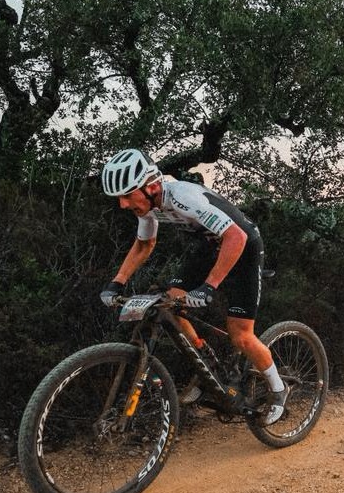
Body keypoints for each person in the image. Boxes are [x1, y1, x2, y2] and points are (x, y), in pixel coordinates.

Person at [99, 148, 289, 424]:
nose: (123, 204)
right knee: (171, 303)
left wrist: (209, 286)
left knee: (241, 335)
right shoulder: (149, 205)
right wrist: (117, 283)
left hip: (242, 245)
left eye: (127, 195)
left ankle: (278, 390)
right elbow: (144, 244)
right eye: (119, 197)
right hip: (208, 246)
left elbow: (235, 237)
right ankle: (205, 363)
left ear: (151, 186)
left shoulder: (183, 197)